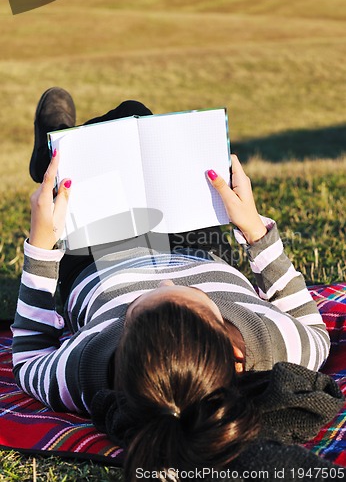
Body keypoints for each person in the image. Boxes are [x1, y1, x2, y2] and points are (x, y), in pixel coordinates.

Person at [11, 88, 344, 481]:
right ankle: (60, 146)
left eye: (136, 304)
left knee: (122, 124)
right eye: (197, 298)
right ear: (236, 353)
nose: (165, 278)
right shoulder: (274, 345)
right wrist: (255, 230)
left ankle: (56, 147)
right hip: (197, 249)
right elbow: (315, 328)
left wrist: (42, 246)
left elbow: (28, 355)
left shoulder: (87, 368)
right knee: (140, 120)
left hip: (101, 259)